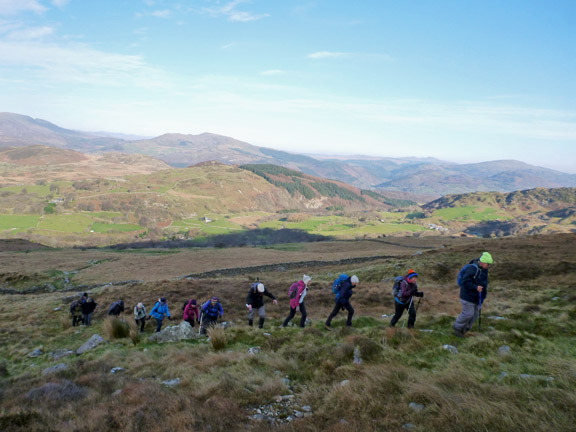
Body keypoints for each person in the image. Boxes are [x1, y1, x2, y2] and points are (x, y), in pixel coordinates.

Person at [453, 252, 493, 337]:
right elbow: (465, 282)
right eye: (488, 264)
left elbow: (484, 284)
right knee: (468, 314)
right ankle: (457, 328)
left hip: (476, 297)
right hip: (467, 296)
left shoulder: (484, 270)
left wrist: (482, 297)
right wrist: (475, 287)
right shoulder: (472, 269)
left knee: (475, 315)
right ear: (482, 262)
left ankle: (465, 329)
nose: (489, 266)